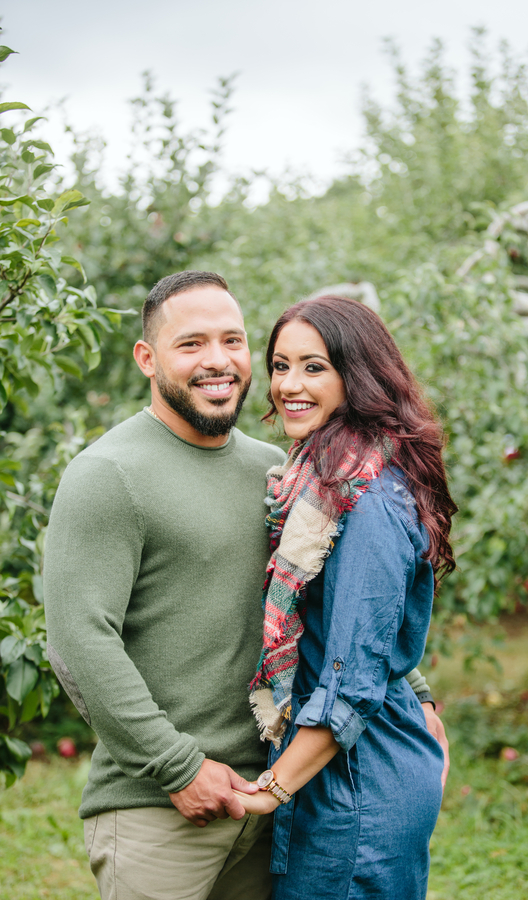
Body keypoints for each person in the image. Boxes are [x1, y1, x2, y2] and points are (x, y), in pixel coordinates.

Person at [43, 271, 446, 900]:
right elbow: (78, 641)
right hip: (162, 806)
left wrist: (414, 691)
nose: (217, 361)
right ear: (147, 359)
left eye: (232, 340)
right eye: (191, 344)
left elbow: (335, 595)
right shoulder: (107, 474)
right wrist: (177, 768)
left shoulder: (280, 469)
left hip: (275, 798)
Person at [237, 295, 457, 900]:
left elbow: (352, 679)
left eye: (314, 367)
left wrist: (270, 788)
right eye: (280, 366)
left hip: (360, 782)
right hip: (333, 776)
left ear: (355, 376)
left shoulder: (367, 500)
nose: (288, 384)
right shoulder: (317, 480)